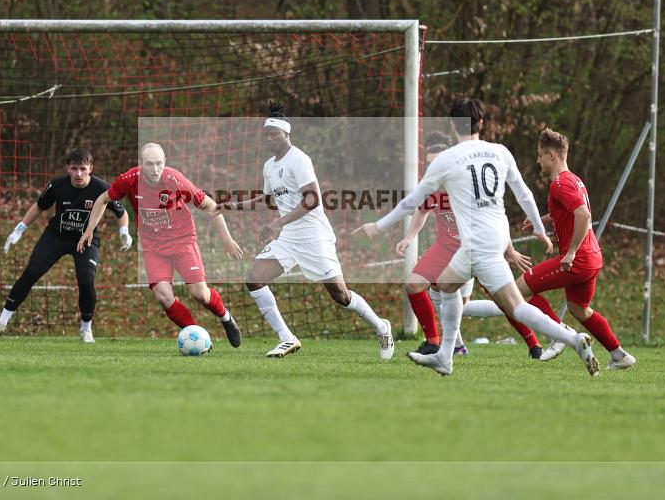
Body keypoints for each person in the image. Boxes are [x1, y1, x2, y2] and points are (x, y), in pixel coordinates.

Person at [355, 96, 599, 377]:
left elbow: (413, 202)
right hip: (496, 237)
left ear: (451, 125)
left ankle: (566, 339)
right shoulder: (500, 152)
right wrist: (540, 230)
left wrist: (380, 226)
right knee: (451, 287)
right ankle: (448, 355)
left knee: (497, 302)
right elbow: (523, 193)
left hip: (474, 244)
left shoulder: (447, 159)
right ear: (481, 123)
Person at [219, 102, 395, 359]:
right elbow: (269, 199)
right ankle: (287, 338)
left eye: (274, 134)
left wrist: (278, 223)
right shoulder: (269, 166)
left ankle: (381, 326)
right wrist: (234, 205)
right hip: (289, 237)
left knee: (341, 296)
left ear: (286, 134)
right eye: (266, 135)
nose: (269, 139)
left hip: (314, 236)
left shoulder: (299, 159)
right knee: (254, 279)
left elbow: (312, 199)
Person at [79, 143, 244, 348]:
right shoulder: (130, 179)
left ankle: (225, 317)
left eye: (159, 163)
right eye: (149, 164)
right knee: (164, 297)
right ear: (141, 164)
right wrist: (88, 230)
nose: (155, 169)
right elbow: (102, 199)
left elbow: (211, 205)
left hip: (182, 241)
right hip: (153, 247)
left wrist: (226, 239)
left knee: (199, 294)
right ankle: (198, 338)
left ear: (164, 162)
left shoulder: (175, 179)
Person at [397, 132, 544, 359]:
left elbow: (493, 218)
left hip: (473, 248)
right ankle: (434, 342)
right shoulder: (429, 185)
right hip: (444, 248)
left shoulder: (467, 183)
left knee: (490, 301)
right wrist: (409, 237)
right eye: (429, 162)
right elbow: (422, 211)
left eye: (437, 160)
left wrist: (509, 250)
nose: (433, 166)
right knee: (415, 286)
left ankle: (534, 342)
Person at [515, 128, 636, 370]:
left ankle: (558, 334)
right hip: (592, 257)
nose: (538, 161)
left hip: (577, 259)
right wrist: (542, 219)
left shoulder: (559, 183)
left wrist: (570, 253)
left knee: (518, 290)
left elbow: (583, 214)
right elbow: (569, 210)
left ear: (551, 155)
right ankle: (620, 355)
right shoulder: (573, 179)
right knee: (579, 309)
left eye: (540, 155)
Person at [0, 148, 131, 343]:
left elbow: (121, 213)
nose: (78, 173)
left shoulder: (102, 188)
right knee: (32, 271)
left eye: (83, 169)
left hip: (85, 240)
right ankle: (1, 322)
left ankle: (86, 329)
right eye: (74, 168)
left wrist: (124, 233)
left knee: (86, 279)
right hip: (56, 237)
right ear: (67, 168)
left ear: (91, 169)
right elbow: (39, 206)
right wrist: (19, 229)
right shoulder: (57, 185)